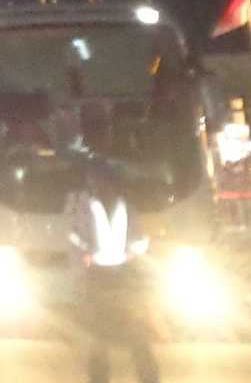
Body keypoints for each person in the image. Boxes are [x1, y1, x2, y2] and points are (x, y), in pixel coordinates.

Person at [66, 156, 157, 383]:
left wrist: (132, 252)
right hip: (97, 276)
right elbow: (75, 237)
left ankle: (148, 378)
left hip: (124, 276)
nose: (101, 186)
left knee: (137, 335)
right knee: (99, 337)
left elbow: (141, 238)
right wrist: (84, 262)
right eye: (97, 182)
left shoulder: (126, 208)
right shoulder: (86, 208)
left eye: (105, 181)